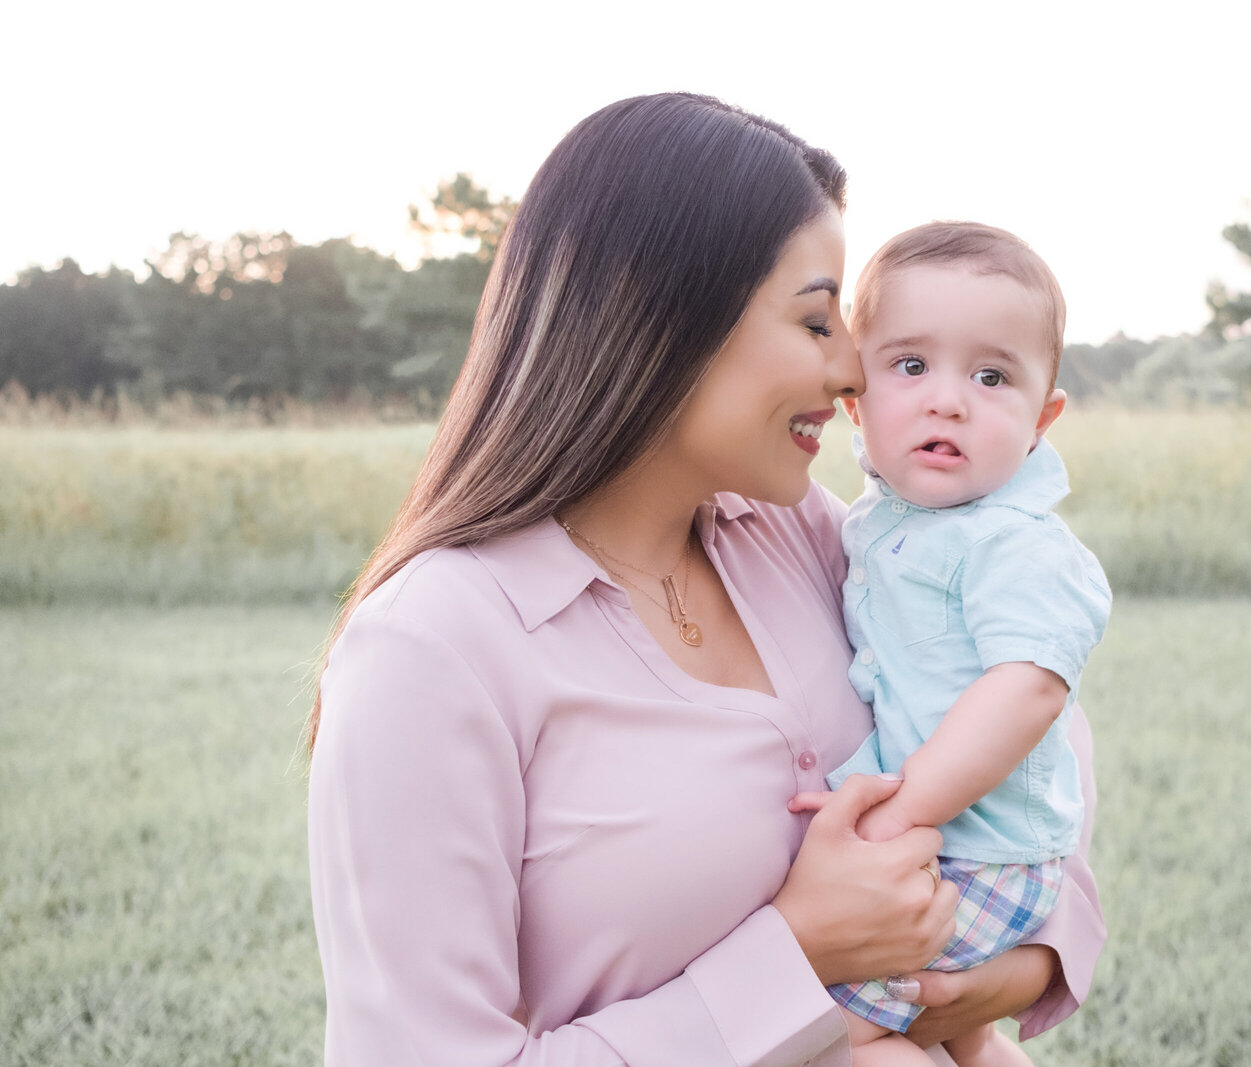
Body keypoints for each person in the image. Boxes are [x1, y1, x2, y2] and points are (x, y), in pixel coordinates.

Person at [305, 94, 1106, 1066]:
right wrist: (797, 953)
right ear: (664, 313)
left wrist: (1002, 974)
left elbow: (1027, 738)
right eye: (818, 319)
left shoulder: (804, 532)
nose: (853, 366)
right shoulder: (434, 646)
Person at [790, 223, 1111, 1066]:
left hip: (980, 857)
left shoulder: (1012, 542)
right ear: (855, 399)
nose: (948, 399)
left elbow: (1029, 689)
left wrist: (902, 811)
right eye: (910, 365)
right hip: (966, 849)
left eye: (992, 375)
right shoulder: (883, 522)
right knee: (966, 1031)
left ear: (1043, 420)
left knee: (827, 1025)